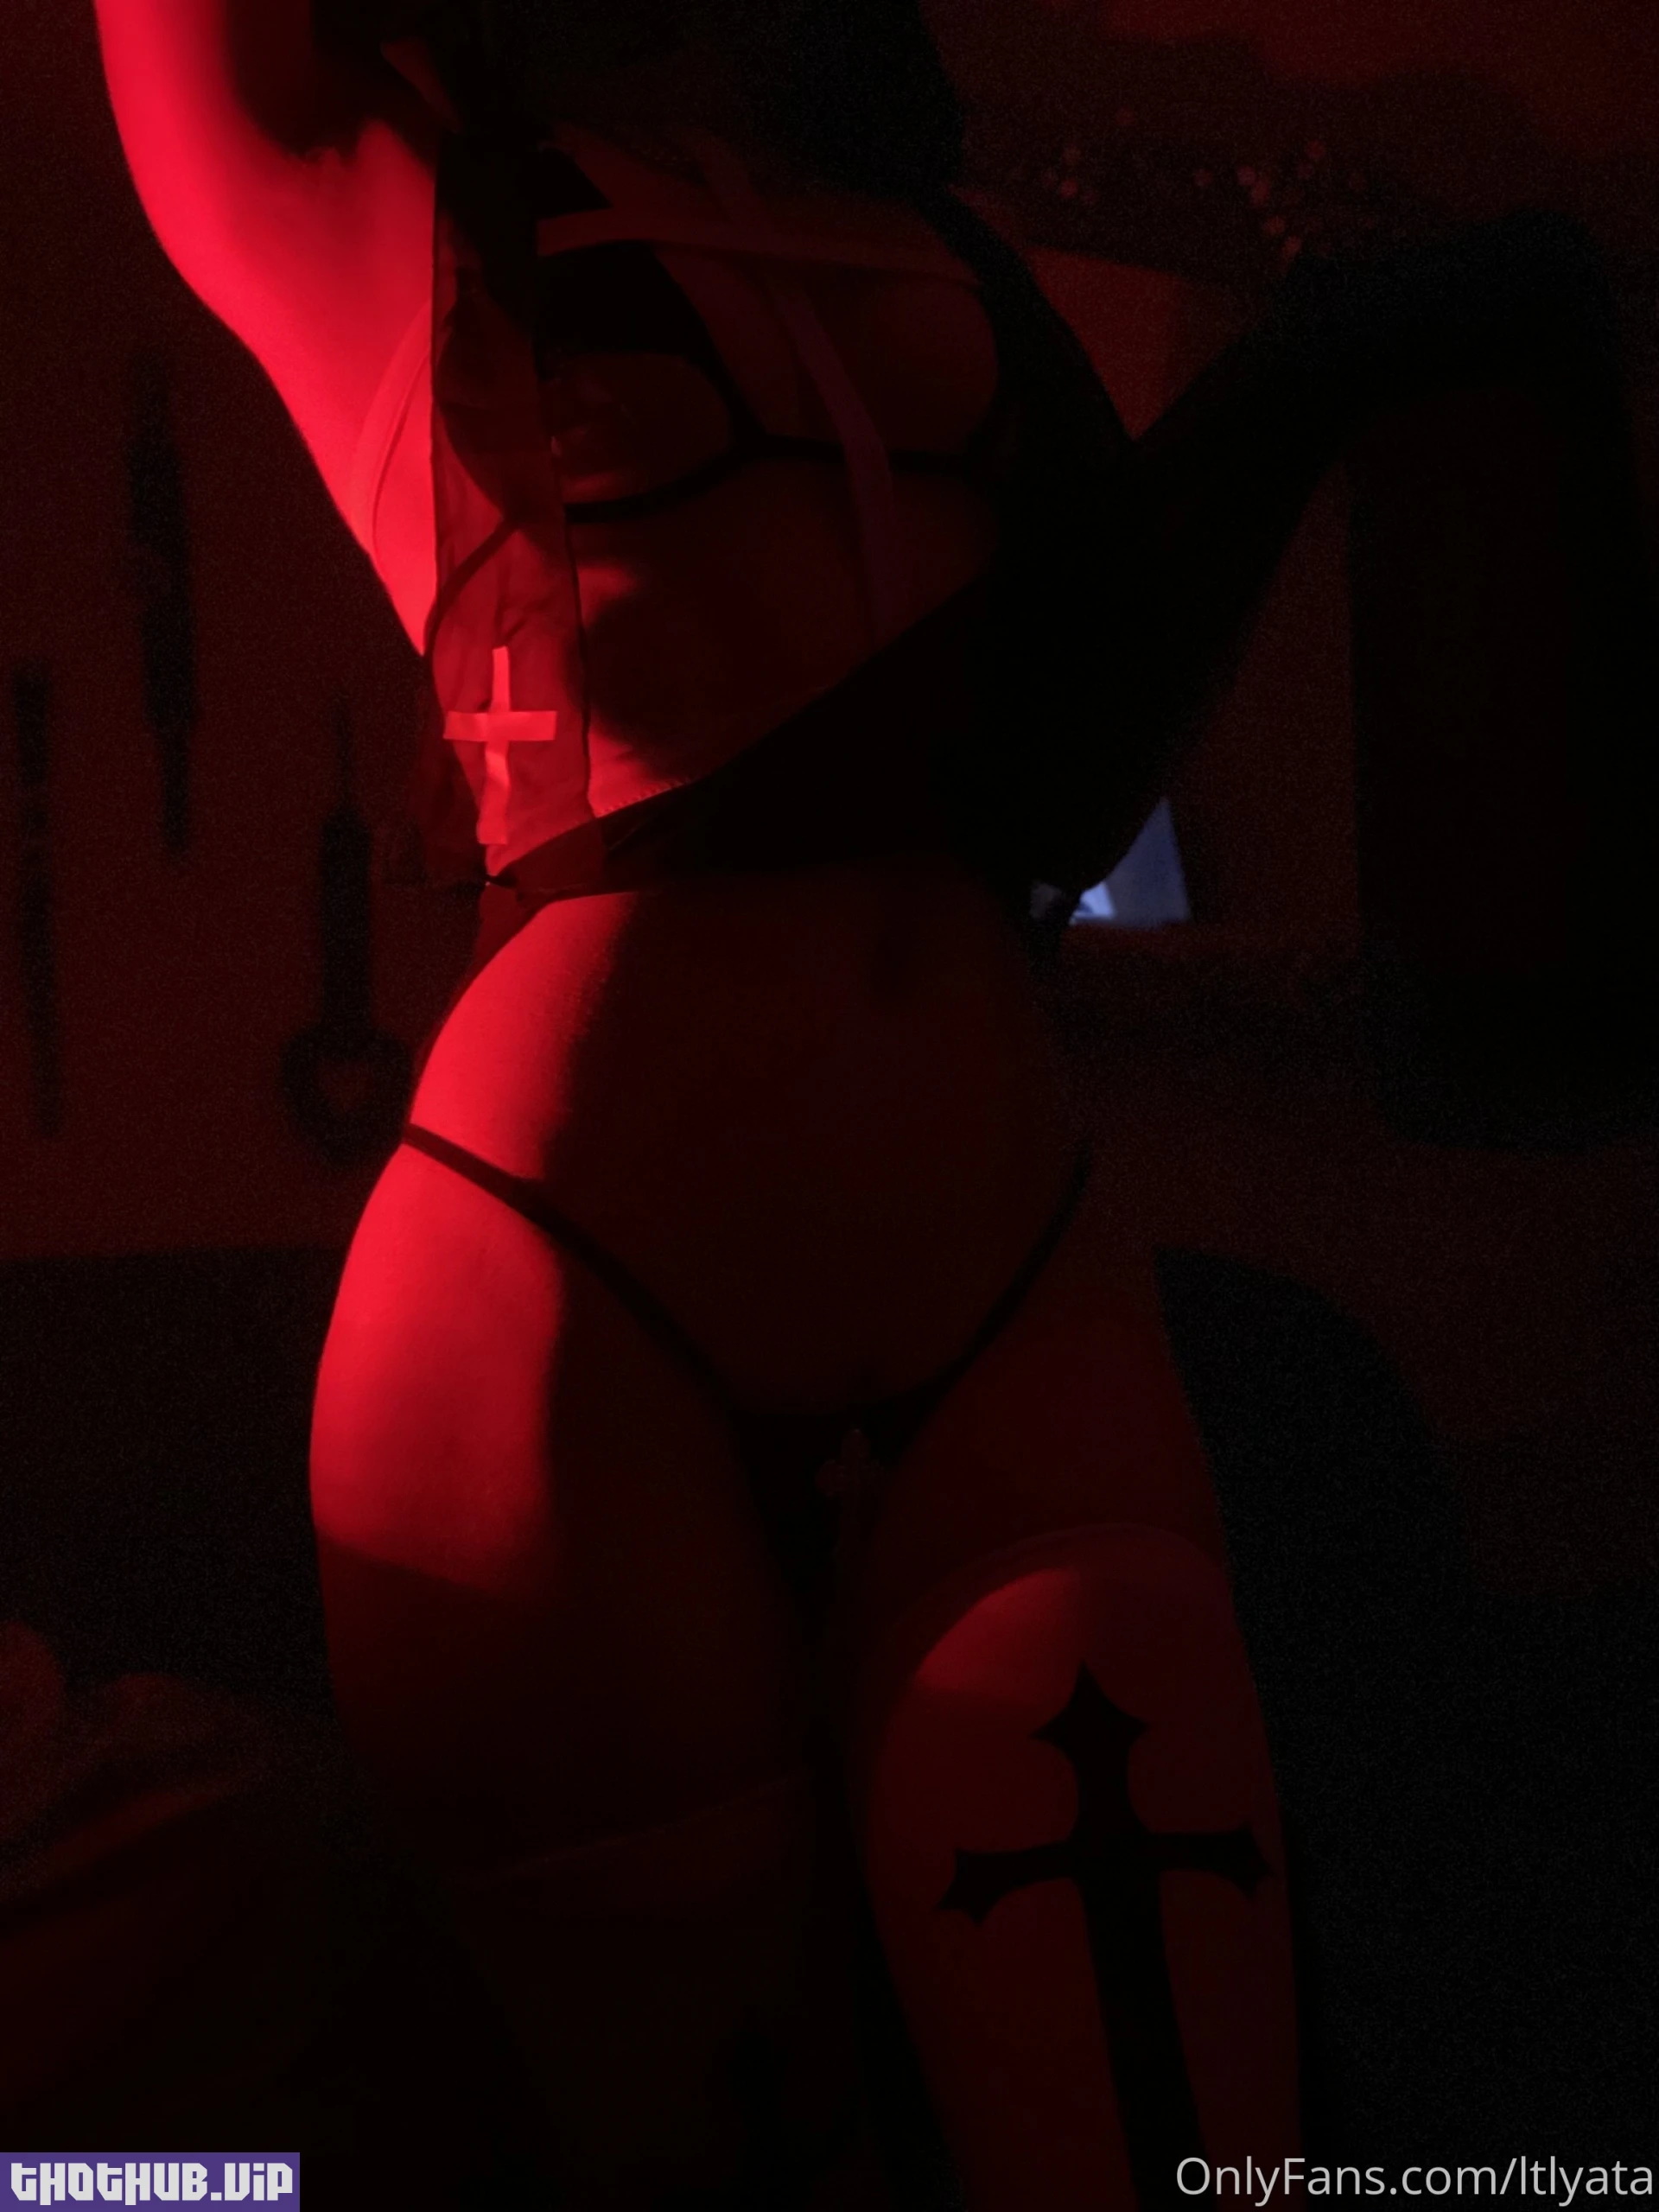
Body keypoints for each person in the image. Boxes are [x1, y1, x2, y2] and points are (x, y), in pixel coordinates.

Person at [92, 1, 1654, 2201]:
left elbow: (1079, 732)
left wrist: (1330, 373)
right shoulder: (384, 203)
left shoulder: (918, 225)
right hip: (568, 1324)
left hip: (995, 1267)